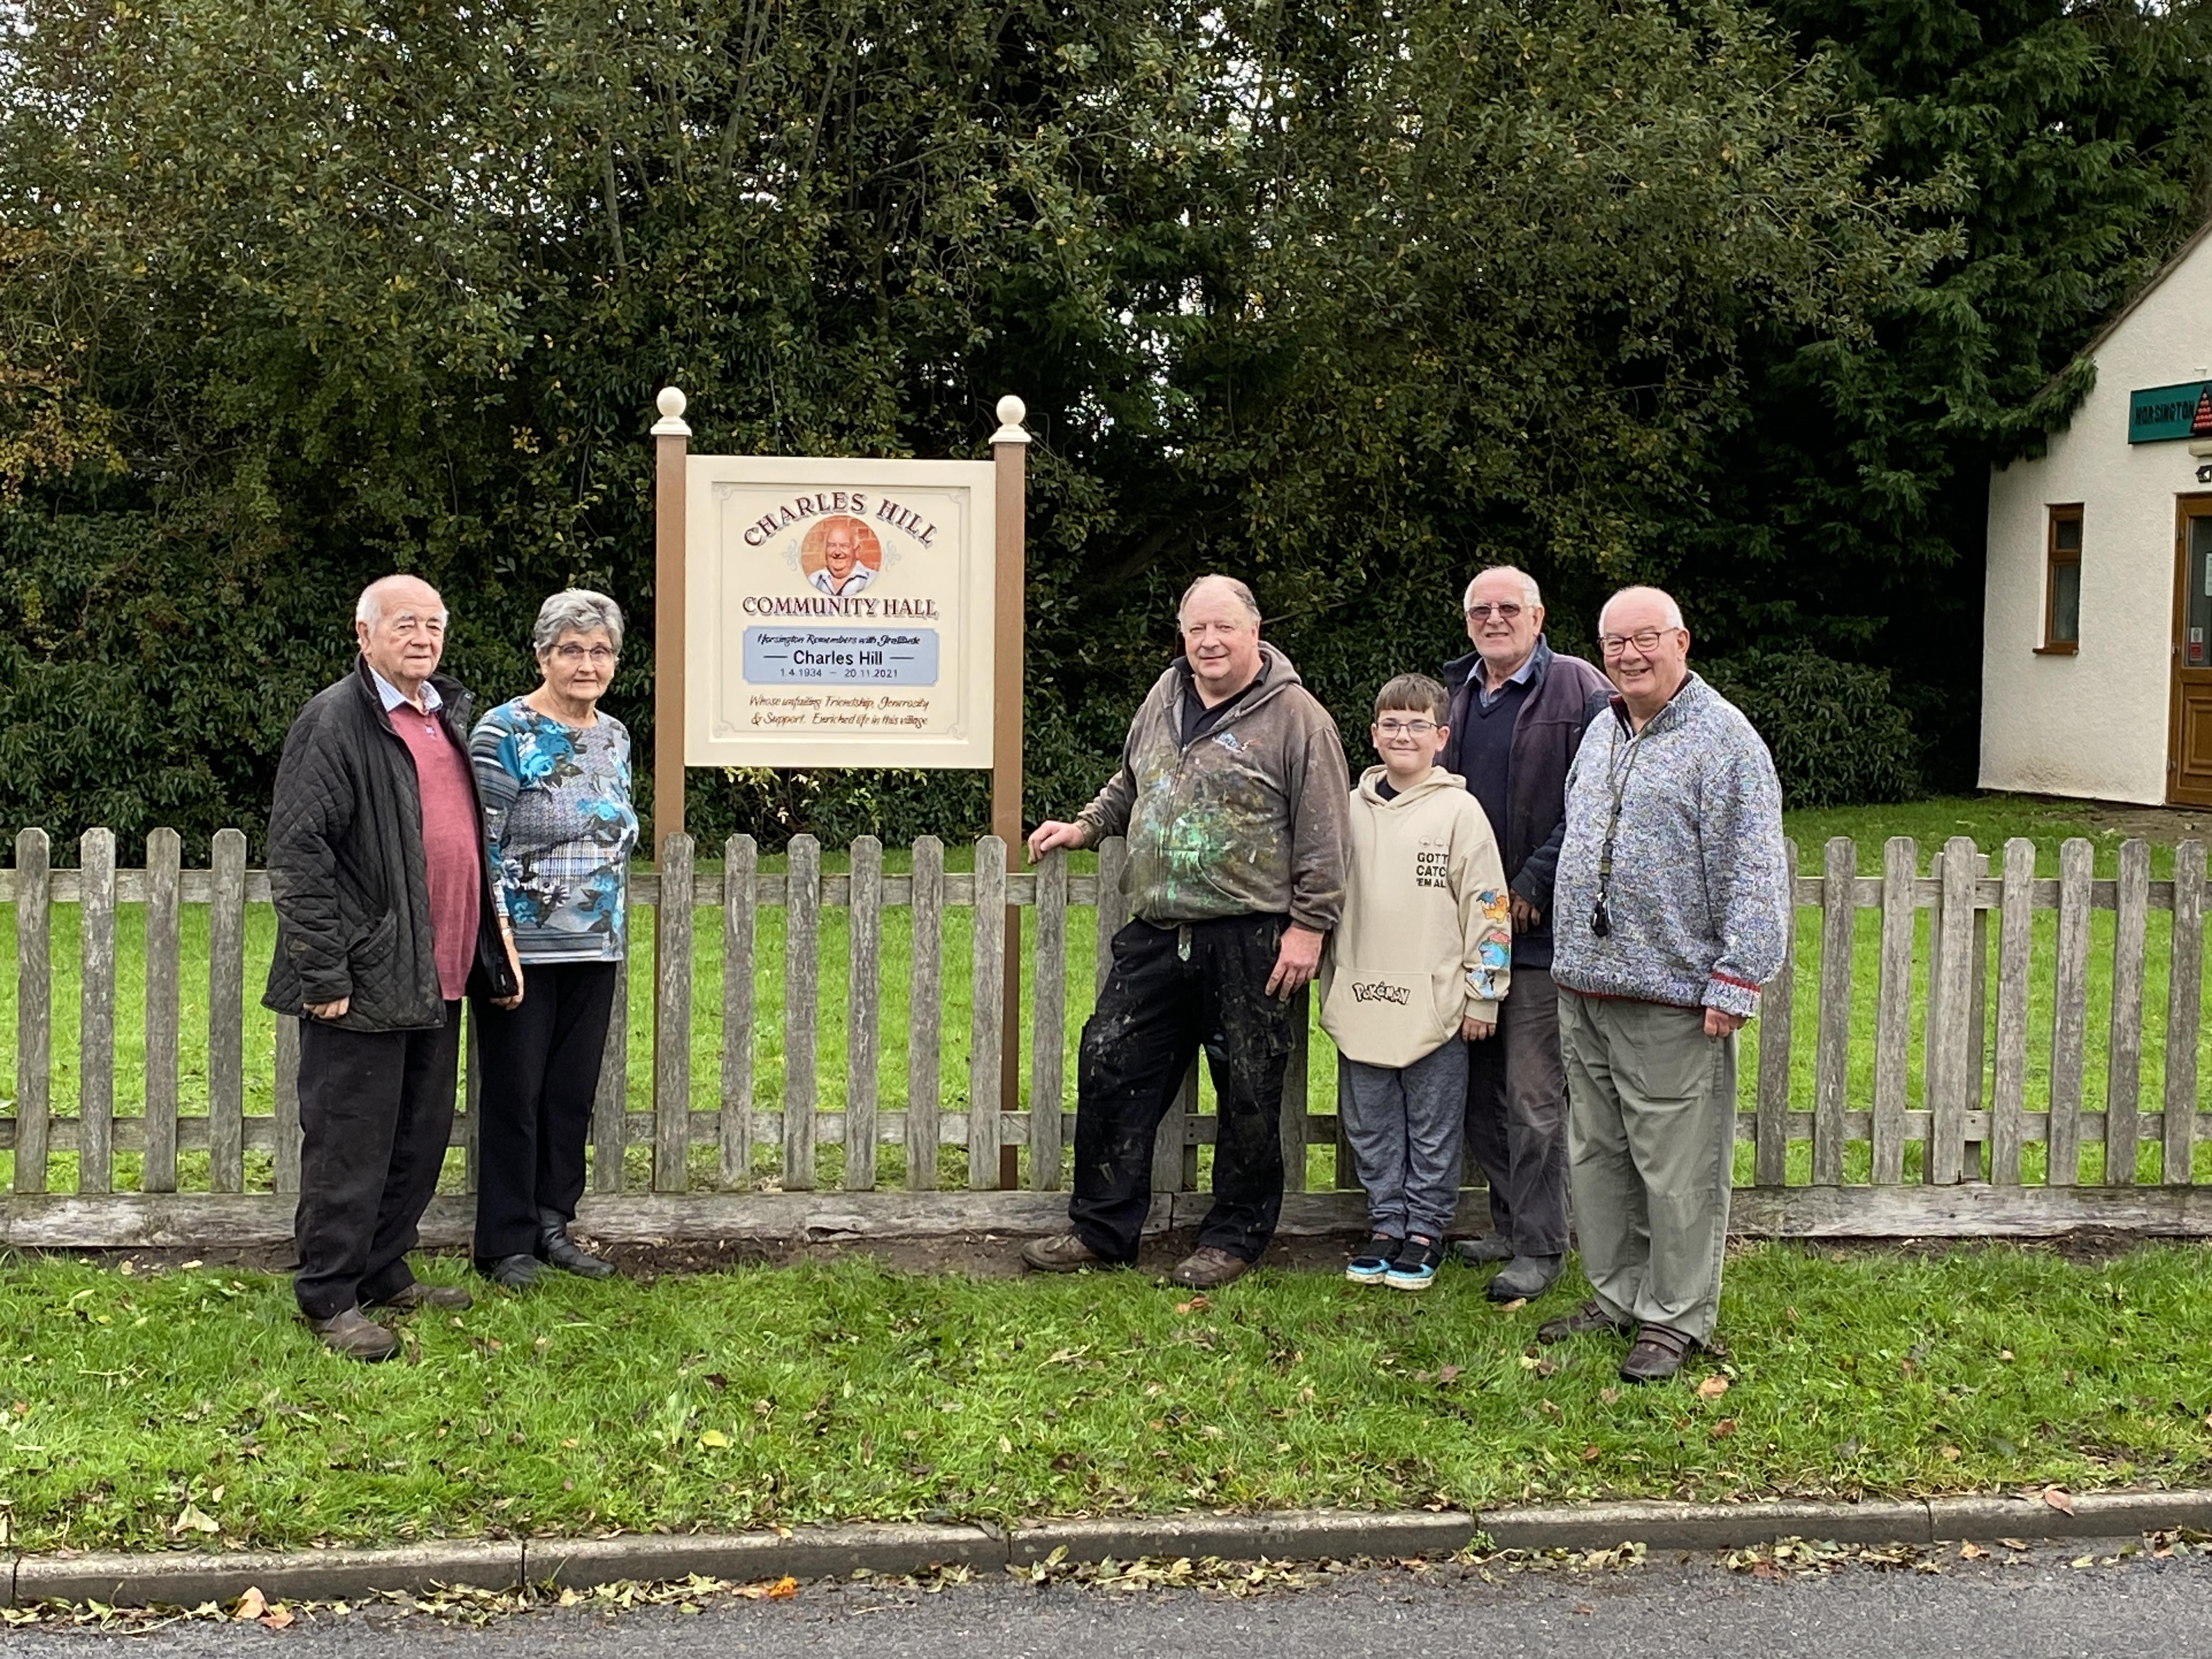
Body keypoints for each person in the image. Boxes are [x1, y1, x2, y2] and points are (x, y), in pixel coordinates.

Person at [1018, 574, 1352, 1289]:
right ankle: (1102, 1229)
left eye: (1223, 627)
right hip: (1157, 928)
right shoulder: (1164, 695)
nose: (1208, 642)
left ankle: (1233, 1237)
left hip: (1251, 934)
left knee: (1250, 1090)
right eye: (1196, 628)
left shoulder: (1298, 718)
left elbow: (1327, 835)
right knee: (1110, 1063)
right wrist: (1085, 826)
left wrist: (1310, 928)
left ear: (1254, 632)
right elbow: (1132, 783)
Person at [264, 574, 522, 1362]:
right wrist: (325, 973)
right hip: (365, 974)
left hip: (437, 970)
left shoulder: (443, 719)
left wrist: (490, 949)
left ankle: (384, 1269)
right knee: (350, 1141)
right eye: (404, 623)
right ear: (364, 633)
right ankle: (329, 1294)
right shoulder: (337, 720)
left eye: (434, 623)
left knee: (416, 1136)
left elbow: (461, 846)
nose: (422, 636)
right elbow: (299, 852)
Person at [1541, 585, 1789, 1383]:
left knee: (1677, 1170)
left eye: (1646, 638)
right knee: (1600, 1156)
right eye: (1615, 642)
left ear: (1682, 640)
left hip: (1675, 998)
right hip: (1586, 988)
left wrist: (1736, 979)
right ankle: (1616, 1296)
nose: (1629, 654)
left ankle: (1675, 1316)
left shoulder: (1726, 743)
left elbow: (1755, 870)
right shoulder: (1603, 731)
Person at [1438, 566, 1610, 1302]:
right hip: (1470, 936)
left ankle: (1542, 1246)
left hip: (1542, 935)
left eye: (1510, 608)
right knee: (1477, 1094)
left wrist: (1536, 880)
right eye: (1482, 610)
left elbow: (1599, 797)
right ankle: (1511, 1226)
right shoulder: (1456, 697)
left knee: (1536, 1097)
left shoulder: (1580, 689)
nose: (1495, 619)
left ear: (1539, 617)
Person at [469, 590, 639, 1289]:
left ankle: (551, 1223)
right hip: (522, 946)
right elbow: (481, 845)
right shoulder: (502, 731)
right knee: (515, 1091)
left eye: (600, 650)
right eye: (571, 649)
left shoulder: (616, 735)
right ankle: (503, 1241)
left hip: (596, 945)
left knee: (569, 1092)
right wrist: (500, 942)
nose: (586, 663)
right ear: (543, 655)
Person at [1321, 674, 1511, 1293]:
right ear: (1373, 735)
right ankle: (1385, 1224)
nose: (1404, 735)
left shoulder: (1461, 811)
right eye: (1392, 724)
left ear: (1442, 736)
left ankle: (1426, 1229)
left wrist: (1484, 993)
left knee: (1433, 1124)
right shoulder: (1344, 808)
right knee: (1370, 1121)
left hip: (1437, 1004)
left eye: (1417, 725)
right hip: (1361, 994)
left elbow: (1489, 906)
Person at [809, 518, 874, 596]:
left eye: (844, 546)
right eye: (832, 546)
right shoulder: (814, 580)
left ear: (856, 551)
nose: (837, 552)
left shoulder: (873, 580)